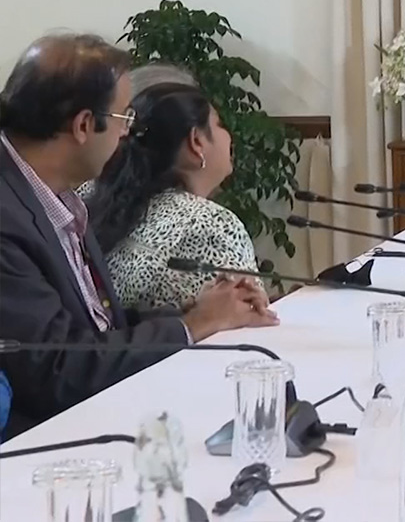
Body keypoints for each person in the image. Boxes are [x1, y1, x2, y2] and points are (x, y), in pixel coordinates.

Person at [0, 34, 277, 436]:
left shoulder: (58, 195)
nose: (128, 134)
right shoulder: (7, 217)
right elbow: (57, 371)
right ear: (83, 125)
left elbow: (97, 331)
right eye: (123, 118)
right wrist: (191, 326)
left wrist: (193, 314)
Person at [86, 79, 258, 310]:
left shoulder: (101, 197)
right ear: (196, 142)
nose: (229, 136)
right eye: (220, 124)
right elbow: (251, 314)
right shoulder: (213, 225)